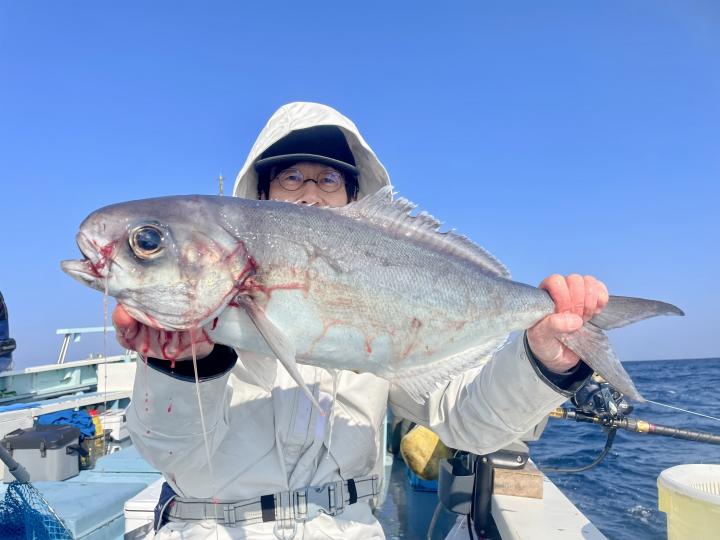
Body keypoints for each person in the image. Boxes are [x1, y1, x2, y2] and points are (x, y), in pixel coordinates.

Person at [114, 102, 603, 539]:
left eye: (329, 180)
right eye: (291, 177)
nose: (310, 194)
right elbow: (170, 453)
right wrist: (182, 369)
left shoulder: (389, 304)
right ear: (258, 195)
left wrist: (544, 363)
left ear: (353, 200)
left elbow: (469, 423)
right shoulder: (199, 311)